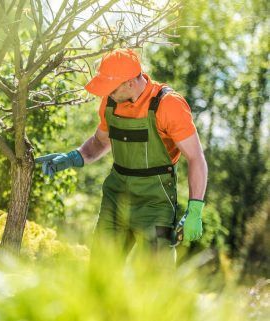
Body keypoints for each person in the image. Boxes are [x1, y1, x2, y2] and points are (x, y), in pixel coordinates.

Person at [35, 48, 208, 265]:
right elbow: (100, 142)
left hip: (154, 202)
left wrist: (195, 209)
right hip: (115, 197)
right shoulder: (110, 103)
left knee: (154, 278)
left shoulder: (168, 105)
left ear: (130, 83)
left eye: (111, 88)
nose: (107, 94)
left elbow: (195, 158)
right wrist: (73, 157)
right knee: (101, 272)